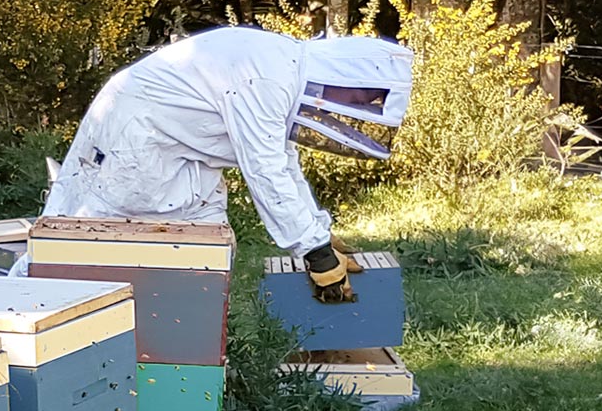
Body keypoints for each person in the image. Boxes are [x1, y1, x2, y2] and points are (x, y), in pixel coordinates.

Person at [30, 26, 412, 302]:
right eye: (363, 96)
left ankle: (189, 349)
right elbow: (264, 169)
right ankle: (26, 312)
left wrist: (317, 233)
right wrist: (315, 254)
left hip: (173, 148)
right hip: (135, 143)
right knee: (89, 241)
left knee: (207, 245)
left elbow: (281, 161)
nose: (359, 109)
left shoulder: (284, 69)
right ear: (347, 73)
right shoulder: (269, 77)